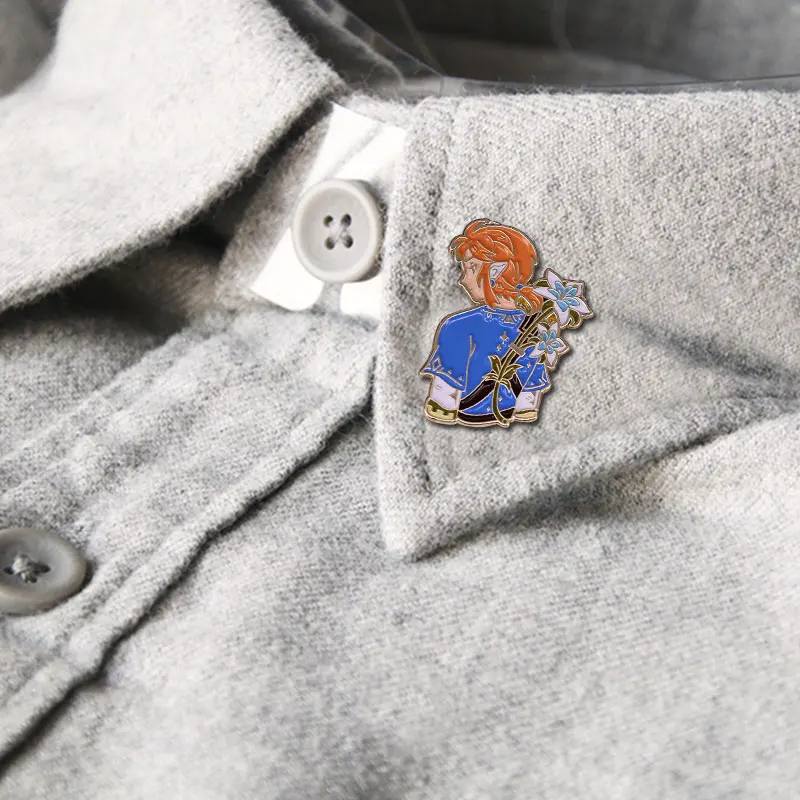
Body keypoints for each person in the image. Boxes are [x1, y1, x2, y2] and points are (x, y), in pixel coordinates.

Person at [420, 219, 550, 425]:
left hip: (468, 415)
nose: (463, 280)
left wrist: (443, 408)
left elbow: (444, 398)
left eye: (471, 268)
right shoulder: (538, 325)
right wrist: (525, 410)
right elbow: (530, 392)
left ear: (496, 271)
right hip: (514, 418)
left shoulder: (457, 327)